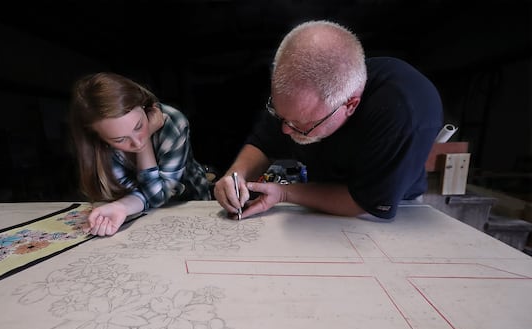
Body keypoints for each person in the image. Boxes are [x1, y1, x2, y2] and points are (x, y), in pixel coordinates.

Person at [214, 20, 443, 221]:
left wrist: (284, 193)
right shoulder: (297, 97)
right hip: (320, 194)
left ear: (350, 105)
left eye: (300, 124)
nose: (284, 129)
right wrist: (235, 177)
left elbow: (365, 202)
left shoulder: (404, 112)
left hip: (386, 209)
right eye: (281, 116)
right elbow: (263, 144)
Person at [69, 72, 211, 236]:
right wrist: (120, 207)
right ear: (98, 137)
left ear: (144, 106)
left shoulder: (173, 121)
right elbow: (139, 195)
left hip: (190, 201)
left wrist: (146, 144)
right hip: (140, 211)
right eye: (120, 139)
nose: (137, 142)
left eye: (138, 126)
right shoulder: (99, 146)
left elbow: (158, 196)